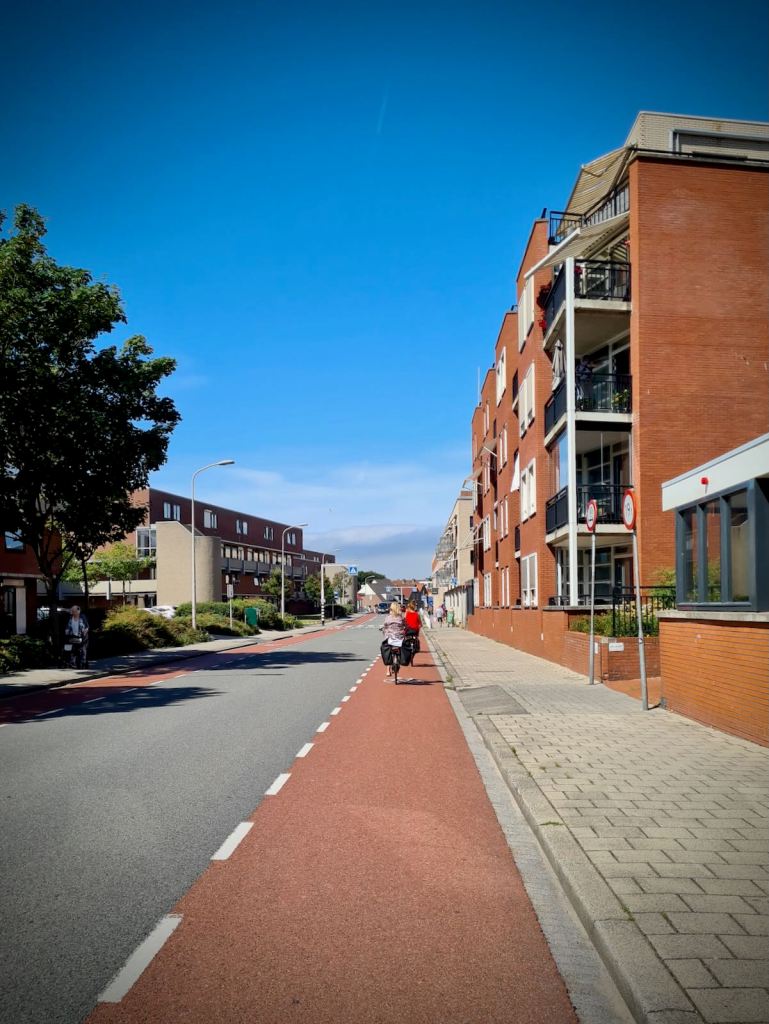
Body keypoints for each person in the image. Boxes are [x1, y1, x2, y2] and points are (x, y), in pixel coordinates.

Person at [380, 601, 405, 678]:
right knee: (402, 648)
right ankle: (400, 661)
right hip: (399, 638)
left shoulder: (388, 618)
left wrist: (382, 629)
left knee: (387, 650)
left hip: (390, 638)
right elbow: (405, 625)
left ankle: (387, 670)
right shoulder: (401, 618)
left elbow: (385, 625)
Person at [403, 598, 421, 666]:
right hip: (415, 631)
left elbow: (404, 621)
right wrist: (419, 626)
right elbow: (420, 623)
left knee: (404, 641)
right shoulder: (417, 614)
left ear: (409, 607)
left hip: (408, 631)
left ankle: (406, 654)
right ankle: (415, 649)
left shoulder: (406, 613)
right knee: (416, 641)